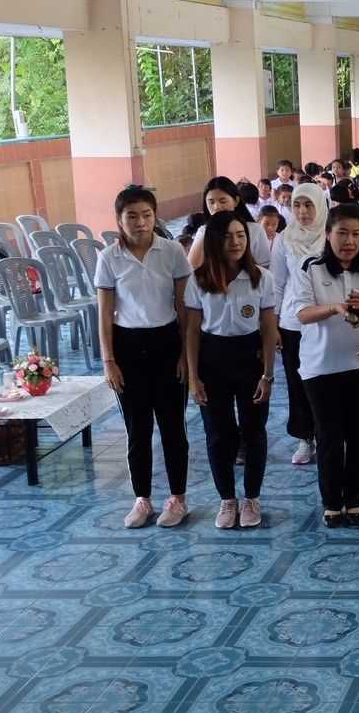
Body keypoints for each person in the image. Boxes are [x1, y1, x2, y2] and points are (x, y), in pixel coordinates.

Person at [284, 205, 359, 528]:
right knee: (329, 436)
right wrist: (334, 308)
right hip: (320, 367)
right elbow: (302, 313)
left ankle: (355, 499)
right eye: (342, 233)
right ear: (328, 234)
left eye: (356, 233)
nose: (349, 241)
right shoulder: (310, 267)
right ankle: (332, 502)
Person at [95, 186, 193, 529]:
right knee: (137, 430)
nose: (140, 222)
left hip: (167, 343)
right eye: (132, 216)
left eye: (147, 215)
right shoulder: (109, 257)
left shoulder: (172, 252)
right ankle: (142, 499)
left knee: (173, 428)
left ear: (155, 216)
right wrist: (109, 361)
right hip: (127, 347)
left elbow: (184, 308)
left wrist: (185, 355)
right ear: (119, 220)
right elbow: (104, 313)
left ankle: (177, 498)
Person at [184, 210, 277, 529]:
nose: (235, 242)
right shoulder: (199, 279)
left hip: (250, 358)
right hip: (212, 360)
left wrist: (268, 374)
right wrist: (194, 377)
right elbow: (192, 331)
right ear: (214, 241)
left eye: (240, 235)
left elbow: (268, 328)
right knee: (217, 434)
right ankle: (227, 499)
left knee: (254, 432)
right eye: (227, 237)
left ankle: (251, 497)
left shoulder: (261, 278)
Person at [271, 182, 327, 466]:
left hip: (326, 319)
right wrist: (274, 325)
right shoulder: (284, 239)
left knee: (326, 381)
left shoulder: (331, 235)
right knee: (298, 382)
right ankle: (305, 437)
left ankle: (328, 435)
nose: (302, 212)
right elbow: (277, 283)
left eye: (308, 205)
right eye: (297, 205)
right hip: (293, 323)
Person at [188, 176, 271, 268]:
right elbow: (192, 267)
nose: (216, 207)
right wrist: (207, 230)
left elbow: (265, 265)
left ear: (236, 201)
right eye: (211, 202)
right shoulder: (204, 231)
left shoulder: (255, 230)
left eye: (222, 201)